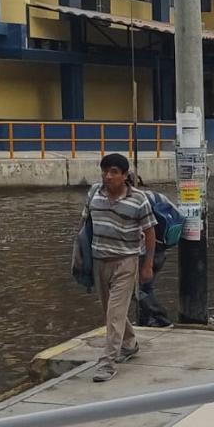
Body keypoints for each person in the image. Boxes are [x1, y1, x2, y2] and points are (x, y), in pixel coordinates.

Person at [84, 153, 156, 382]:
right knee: (111, 311)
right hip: (99, 259)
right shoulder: (94, 193)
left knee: (115, 312)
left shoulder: (138, 199)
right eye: (105, 171)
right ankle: (129, 343)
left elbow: (150, 232)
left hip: (126, 260)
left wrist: (147, 265)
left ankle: (107, 362)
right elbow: (85, 226)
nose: (108, 176)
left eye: (114, 172)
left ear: (125, 176)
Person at [128, 172, 173, 328]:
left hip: (143, 254)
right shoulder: (157, 196)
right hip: (160, 251)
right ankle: (145, 322)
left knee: (134, 290)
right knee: (146, 288)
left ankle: (160, 317)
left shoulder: (133, 202)